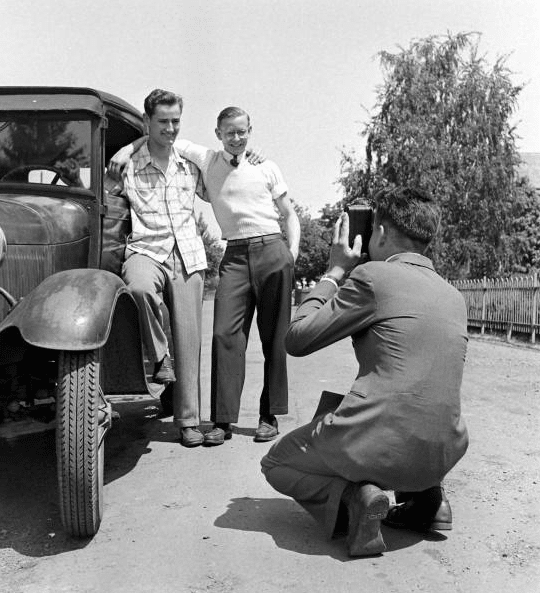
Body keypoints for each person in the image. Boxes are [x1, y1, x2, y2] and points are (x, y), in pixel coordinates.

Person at [260, 186, 469, 557]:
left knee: (276, 463)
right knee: (400, 397)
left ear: (381, 234)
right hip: (443, 453)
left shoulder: (373, 277)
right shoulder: (454, 296)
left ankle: (356, 497)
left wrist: (334, 271)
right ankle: (428, 498)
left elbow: (297, 339)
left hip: (380, 444)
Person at [111, 106, 300, 447]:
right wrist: (127, 148)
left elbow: (289, 214)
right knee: (224, 334)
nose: (237, 137)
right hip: (235, 255)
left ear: (250, 130)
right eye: (230, 132)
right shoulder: (207, 160)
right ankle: (223, 421)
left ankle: (268, 415)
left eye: (242, 131)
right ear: (218, 134)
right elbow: (163, 137)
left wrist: (292, 252)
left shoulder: (267, 166)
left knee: (274, 337)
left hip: (273, 249)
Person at [114, 89, 207, 448]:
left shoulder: (189, 164)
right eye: (163, 121)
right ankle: (159, 357)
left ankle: (188, 422)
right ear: (147, 122)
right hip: (146, 249)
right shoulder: (129, 164)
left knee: (189, 339)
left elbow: (222, 184)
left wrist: (246, 157)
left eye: (175, 121)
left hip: (187, 254)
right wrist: (127, 151)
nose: (170, 128)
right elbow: (107, 191)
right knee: (137, 286)